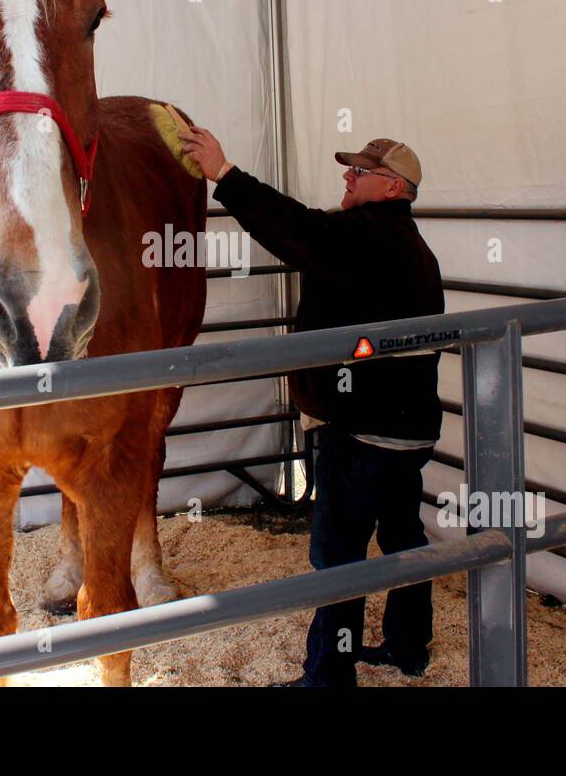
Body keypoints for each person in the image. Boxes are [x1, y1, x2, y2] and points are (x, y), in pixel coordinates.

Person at [183, 130, 444, 687]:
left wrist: (225, 176)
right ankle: (407, 647)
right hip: (409, 427)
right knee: (403, 537)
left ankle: (328, 674)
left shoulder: (368, 236)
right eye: (350, 169)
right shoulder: (410, 244)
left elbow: (297, 231)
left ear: (393, 186)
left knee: (338, 555)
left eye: (360, 172)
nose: (347, 177)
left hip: (363, 431)